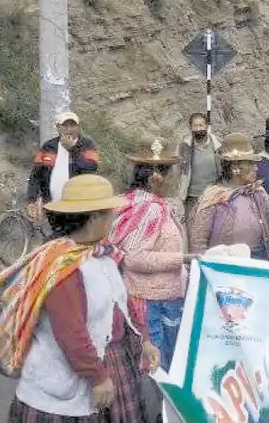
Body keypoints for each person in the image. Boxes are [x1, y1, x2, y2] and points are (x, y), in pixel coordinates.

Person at [10, 175, 159, 421]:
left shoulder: (101, 255)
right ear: (93, 219)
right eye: (110, 212)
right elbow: (71, 332)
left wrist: (144, 340)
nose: (114, 217)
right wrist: (98, 377)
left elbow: (122, 303)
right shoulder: (62, 267)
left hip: (109, 360)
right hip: (68, 378)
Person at [108, 137, 193, 373]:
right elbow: (134, 257)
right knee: (157, 366)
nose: (171, 178)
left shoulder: (149, 204)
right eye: (168, 172)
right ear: (157, 177)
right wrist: (182, 259)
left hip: (163, 297)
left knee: (162, 364)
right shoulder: (149, 210)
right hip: (151, 302)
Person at [188, 133, 269, 260]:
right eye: (250, 163)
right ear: (235, 168)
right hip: (225, 266)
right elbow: (198, 241)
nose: (256, 168)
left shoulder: (257, 192)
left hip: (259, 262)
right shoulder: (213, 197)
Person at [26, 112, 99, 221]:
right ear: (58, 128)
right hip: (51, 206)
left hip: (78, 207)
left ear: (78, 127)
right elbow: (36, 175)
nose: (69, 129)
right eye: (65, 125)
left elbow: (90, 169)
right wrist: (31, 200)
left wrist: (72, 149)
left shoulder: (88, 145)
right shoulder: (48, 146)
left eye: (73, 125)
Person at [176, 112, 223, 230]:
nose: (198, 129)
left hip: (214, 195)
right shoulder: (184, 146)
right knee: (192, 230)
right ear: (190, 127)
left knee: (214, 228)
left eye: (201, 125)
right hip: (192, 198)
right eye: (195, 126)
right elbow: (176, 172)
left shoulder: (218, 145)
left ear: (206, 126)